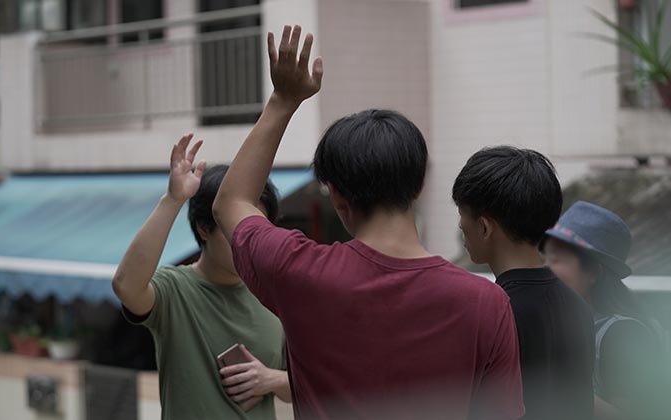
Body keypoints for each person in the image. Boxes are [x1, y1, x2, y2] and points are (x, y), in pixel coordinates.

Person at [212, 25, 524, 420]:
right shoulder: (488, 303)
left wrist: (284, 100)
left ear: (338, 198)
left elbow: (232, 202)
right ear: (419, 185)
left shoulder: (297, 272)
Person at [112, 136, 291, 420]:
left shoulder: (276, 295)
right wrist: (173, 200)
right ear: (204, 229)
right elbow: (125, 285)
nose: (248, 242)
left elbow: (315, 381)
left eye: (257, 230)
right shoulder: (174, 290)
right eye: (235, 230)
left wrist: (272, 379)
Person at [452, 146, 595, 420]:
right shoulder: (579, 305)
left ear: (484, 227)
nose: (460, 226)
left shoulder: (491, 312)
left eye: (462, 214)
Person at [543, 201, 668, 420]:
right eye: (545, 258)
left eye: (557, 259)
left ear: (593, 272)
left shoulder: (624, 334)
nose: (545, 268)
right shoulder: (566, 325)